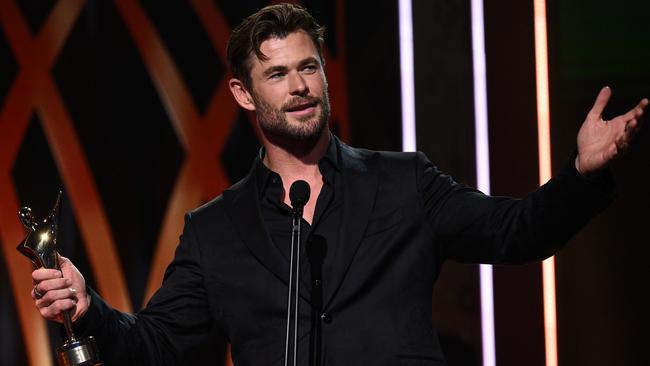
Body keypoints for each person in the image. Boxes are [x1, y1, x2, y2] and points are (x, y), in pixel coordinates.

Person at [30, 3, 647, 365]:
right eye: (277, 74)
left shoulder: (403, 182)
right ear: (244, 94)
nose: (299, 86)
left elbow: (518, 232)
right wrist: (91, 312)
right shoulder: (215, 231)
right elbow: (158, 347)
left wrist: (580, 174)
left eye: (308, 68)